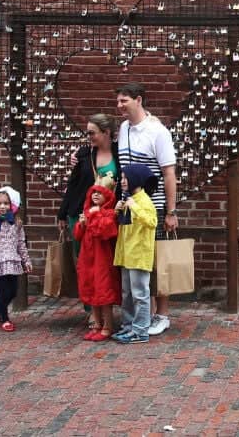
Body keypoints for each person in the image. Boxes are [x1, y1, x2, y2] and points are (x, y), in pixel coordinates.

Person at [115, 82, 179, 336]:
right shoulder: (123, 129)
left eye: (124, 101)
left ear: (138, 100)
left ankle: (162, 315)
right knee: (135, 262)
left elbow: (169, 172)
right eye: (118, 101)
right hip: (129, 206)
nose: (119, 106)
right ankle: (142, 315)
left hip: (154, 206)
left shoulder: (157, 132)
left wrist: (171, 212)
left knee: (157, 261)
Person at [57, 113, 119, 326]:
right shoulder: (83, 154)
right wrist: (62, 213)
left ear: (106, 132)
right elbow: (73, 184)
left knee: (106, 264)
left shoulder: (120, 154)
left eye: (92, 132)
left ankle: (108, 310)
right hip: (82, 215)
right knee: (84, 263)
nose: (89, 136)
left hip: (107, 218)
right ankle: (91, 311)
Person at [111, 164, 159, 344]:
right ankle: (128, 326)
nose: (122, 181)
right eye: (121, 177)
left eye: (125, 177)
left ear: (136, 179)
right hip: (127, 255)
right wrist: (117, 211)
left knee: (140, 294)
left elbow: (152, 222)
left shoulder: (144, 200)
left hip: (138, 255)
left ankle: (140, 330)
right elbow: (126, 228)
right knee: (128, 294)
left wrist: (134, 207)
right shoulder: (128, 199)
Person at [0, 186, 32, 332]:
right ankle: (4, 318)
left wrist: (26, 260)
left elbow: (21, 243)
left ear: (12, 205)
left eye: (6, 203)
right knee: (3, 292)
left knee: (13, 291)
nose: (2, 206)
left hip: (13, 261)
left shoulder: (17, 223)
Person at [73, 183, 119, 342]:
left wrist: (92, 216)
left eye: (100, 193)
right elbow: (78, 235)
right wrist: (82, 223)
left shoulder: (109, 213)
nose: (96, 195)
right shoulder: (88, 212)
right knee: (91, 290)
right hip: (88, 258)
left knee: (104, 291)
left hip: (102, 259)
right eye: (93, 193)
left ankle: (108, 326)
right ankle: (97, 324)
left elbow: (105, 231)